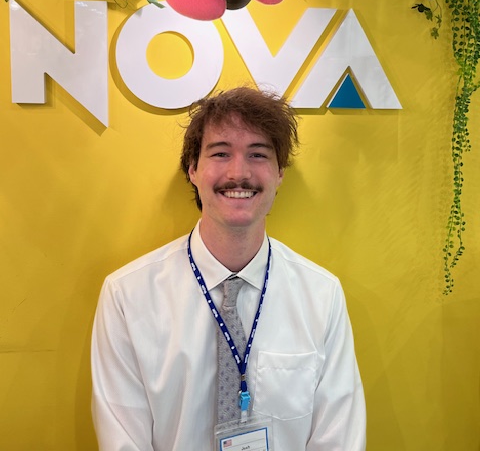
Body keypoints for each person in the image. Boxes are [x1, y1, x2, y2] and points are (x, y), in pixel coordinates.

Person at [91, 86, 366, 451]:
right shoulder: (128, 296)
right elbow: (123, 440)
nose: (239, 172)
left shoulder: (321, 295)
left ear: (279, 173)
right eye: (221, 153)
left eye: (258, 154)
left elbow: (339, 439)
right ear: (193, 169)